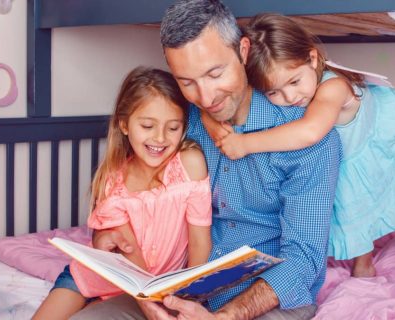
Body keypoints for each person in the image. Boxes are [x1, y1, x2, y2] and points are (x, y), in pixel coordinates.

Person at [71, 1, 341, 319]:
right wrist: (109, 239)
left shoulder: (309, 138)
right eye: (187, 82)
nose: (206, 97)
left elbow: (303, 260)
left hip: (264, 297)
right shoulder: (178, 123)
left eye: (215, 74)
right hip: (175, 288)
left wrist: (227, 316)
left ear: (243, 51)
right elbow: (129, 199)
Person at [205, 13, 395, 281]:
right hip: (351, 153)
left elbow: (311, 131)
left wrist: (246, 144)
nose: (290, 97)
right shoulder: (292, 88)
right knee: (356, 204)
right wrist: (212, 124)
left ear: (313, 59)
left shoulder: (334, 87)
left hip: (386, 132)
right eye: (273, 92)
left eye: (294, 82)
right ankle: (364, 264)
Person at [33, 66, 213, 320]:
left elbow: (199, 242)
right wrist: (147, 305)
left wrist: (192, 296)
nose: (160, 138)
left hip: (149, 286)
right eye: (148, 125)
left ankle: (94, 307)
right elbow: (130, 255)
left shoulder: (189, 165)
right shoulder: (114, 181)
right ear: (124, 124)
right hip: (107, 275)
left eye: (173, 128)